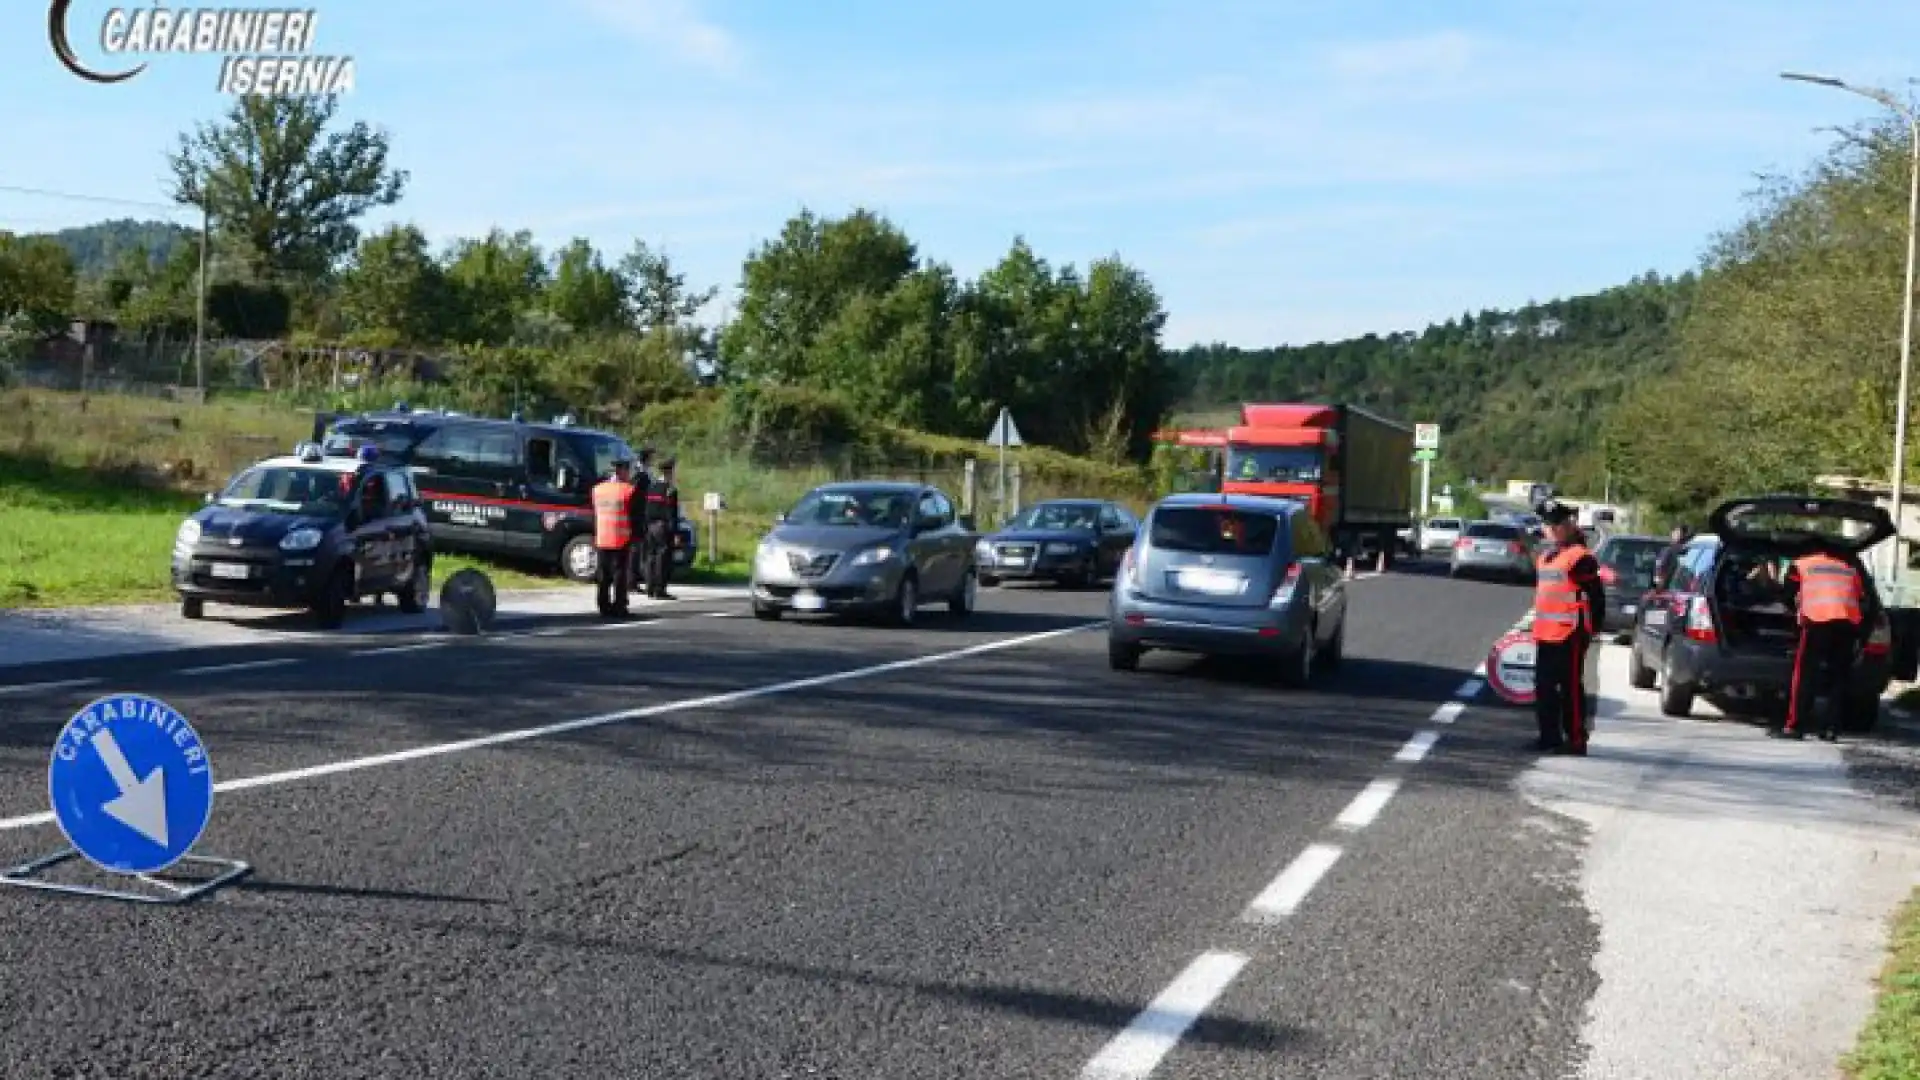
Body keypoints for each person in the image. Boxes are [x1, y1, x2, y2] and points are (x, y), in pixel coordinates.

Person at [1531, 499, 1606, 755]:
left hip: (1570, 632)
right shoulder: (1547, 557)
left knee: (1570, 687)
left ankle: (1575, 739)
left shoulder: (1580, 558)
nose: (1549, 529)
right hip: (1545, 633)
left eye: (1555, 524)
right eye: (1546, 525)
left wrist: (1594, 628)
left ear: (1567, 526)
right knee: (1544, 687)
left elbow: (1596, 596)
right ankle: (1548, 736)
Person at [1774, 547, 1864, 742]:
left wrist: (1795, 613)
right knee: (1838, 676)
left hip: (1817, 620)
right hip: (1847, 623)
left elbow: (1787, 595)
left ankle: (1795, 726)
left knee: (1805, 674)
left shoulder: (1801, 565)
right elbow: (1861, 597)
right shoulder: (1848, 567)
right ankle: (1830, 729)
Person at [591, 458, 638, 617]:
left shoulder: (598, 489)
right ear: (623, 471)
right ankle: (619, 605)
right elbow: (634, 514)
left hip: (602, 537)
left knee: (603, 574)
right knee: (619, 574)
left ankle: (603, 605)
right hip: (620, 537)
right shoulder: (628, 490)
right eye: (628, 470)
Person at [643, 457, 681, 600]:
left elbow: (647, 508)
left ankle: (650, 587)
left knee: (650, 557)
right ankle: (659, 589)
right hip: (662, 527)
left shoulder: (652, 487)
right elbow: (671, 512)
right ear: (669, 471)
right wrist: (675, 532)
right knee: (662, 559)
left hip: (650, 526)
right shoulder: (670, 490)